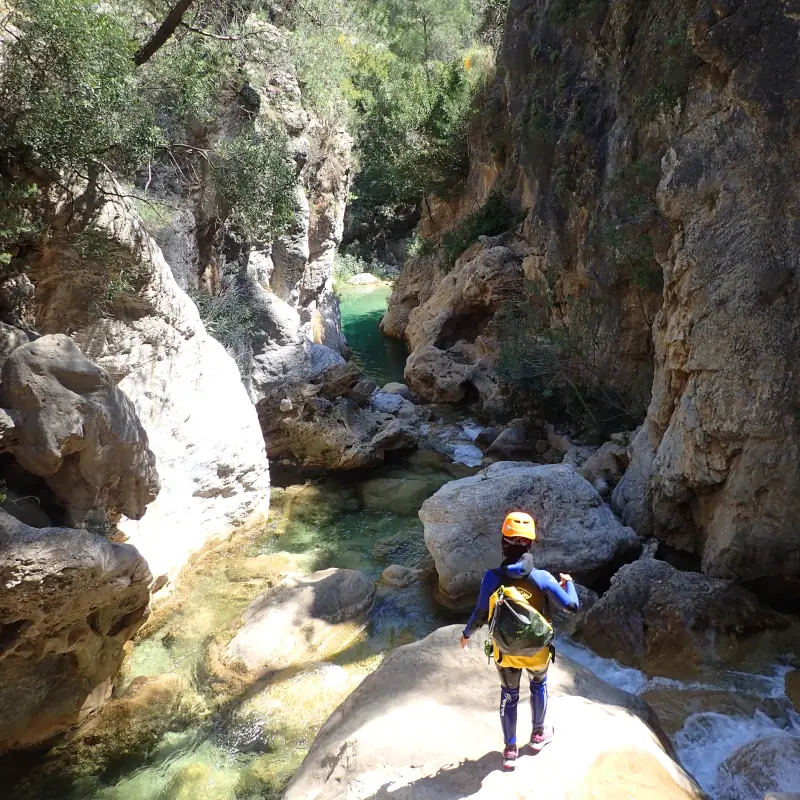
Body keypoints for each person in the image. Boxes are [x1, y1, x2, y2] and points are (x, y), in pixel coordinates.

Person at [459, 511, 579, 770]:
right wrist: (569, 583)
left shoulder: (492, 577)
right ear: (530, 544)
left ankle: (510, 751)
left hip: (506, 651)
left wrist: (466, 635)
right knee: (538, 685)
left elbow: (480, 614)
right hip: (537, 652)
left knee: (509, 694)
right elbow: (572, 607)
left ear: (503, 542)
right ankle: (538, 736)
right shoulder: (543, 578)